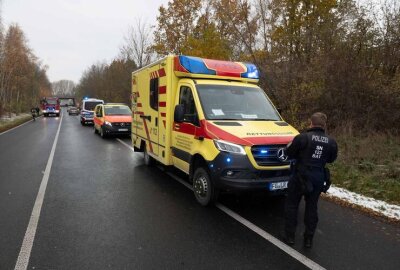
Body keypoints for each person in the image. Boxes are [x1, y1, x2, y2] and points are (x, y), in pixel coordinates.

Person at [284, 112, 338, 248]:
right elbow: (331, 159)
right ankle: (308, 239)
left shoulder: (302, 138)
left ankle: (290, 236)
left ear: (311, 123)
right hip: (318, 177)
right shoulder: (331, 142)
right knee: (311, 208)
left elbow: (288, 153)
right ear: (324, 125)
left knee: (292, 205)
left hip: (300, 176)